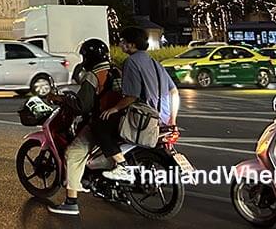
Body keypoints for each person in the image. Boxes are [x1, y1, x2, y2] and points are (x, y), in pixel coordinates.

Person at [48, 38, 123, 216]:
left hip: (102, 121)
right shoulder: (116, 70)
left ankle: (71, 202)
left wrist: (62, 99)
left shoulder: (93, 75)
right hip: (121, 119)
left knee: (73, 153)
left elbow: (83, 105)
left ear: (89, 57)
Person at [95, 26, 179, 183]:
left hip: (144, 119)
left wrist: (114, 108)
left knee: (100, 125)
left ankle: (121, 165)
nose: (120, 44)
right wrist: (172, 120)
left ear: (131, 45)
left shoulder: (131, 62)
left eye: (122, 41)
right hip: (163, 118)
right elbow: (174, 92)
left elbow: (131, 96)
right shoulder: (155, 62)